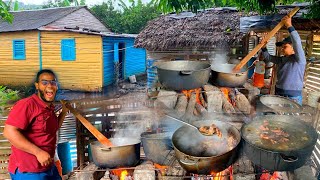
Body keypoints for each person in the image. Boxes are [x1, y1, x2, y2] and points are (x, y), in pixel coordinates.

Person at [3, 69, 68, 180]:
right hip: (29, 171)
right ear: (37, 86)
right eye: (45, 82)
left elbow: (53, 128)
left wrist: (64, 112)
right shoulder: (27, 105)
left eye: (53, 82)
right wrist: (38, 152)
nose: (50, 85)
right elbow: (9, 132)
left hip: (48, 167)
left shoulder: (49, 107)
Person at [261, 15, 306, 105]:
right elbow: (268, 58)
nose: (282, 49)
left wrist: (289, 26)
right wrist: (263, 48)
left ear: (293, 49)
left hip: (293, 97)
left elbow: (296, 42)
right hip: (279, 93)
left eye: (285, 46)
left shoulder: (299, 59)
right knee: (279, 118)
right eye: (282, 47)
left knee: (291, 118)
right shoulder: (282, 59)